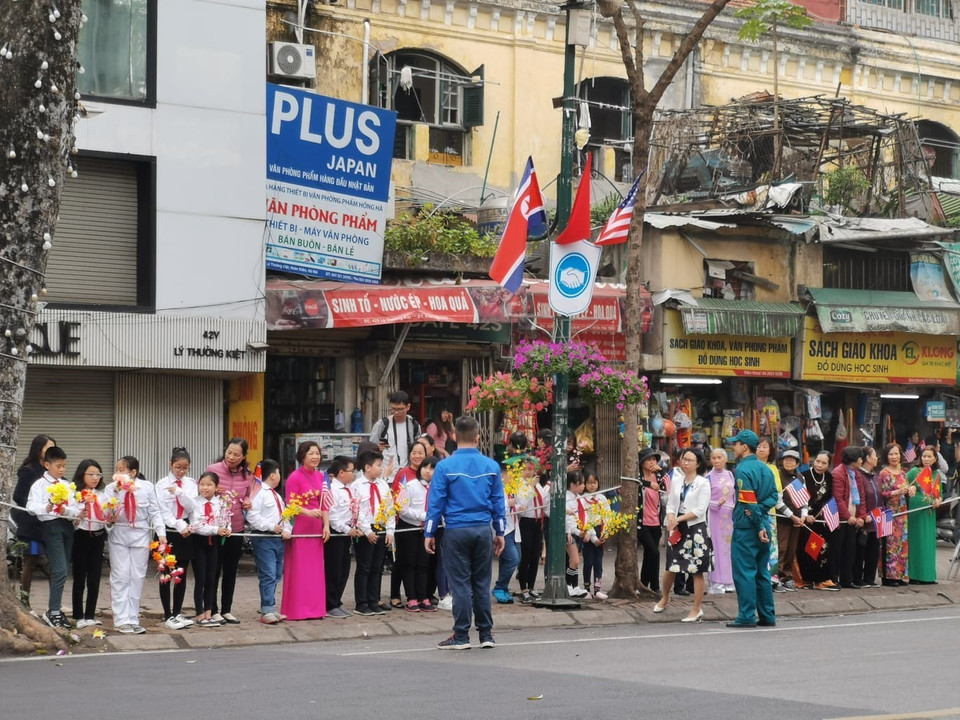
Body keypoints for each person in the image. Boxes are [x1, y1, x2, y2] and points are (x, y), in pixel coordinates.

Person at [424, 415, 505, 650]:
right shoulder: (491, 466)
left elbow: (436, 502)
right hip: (482, 529)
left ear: (454, 436)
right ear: (478, 437)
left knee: (459, 585)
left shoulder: (445, 467)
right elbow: (498, 502)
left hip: (456, 530)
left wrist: (429, 533)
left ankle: (461, 635)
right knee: (482, 583)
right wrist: (499, 531)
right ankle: (486, 634)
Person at [104, 455, 166, 634]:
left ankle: (133, 618)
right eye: (116, 470)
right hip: (119, 535)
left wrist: (161, 533)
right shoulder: (111, 488)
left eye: (121, 470)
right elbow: (105, 513)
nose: (117, 473)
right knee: (121, 576)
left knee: (137, 577)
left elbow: (154, 511)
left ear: (133, 472)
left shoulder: (147, 487)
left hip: (140, 534)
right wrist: (114, 498)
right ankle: (121, 619)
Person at [725, 430, 779, 628]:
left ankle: (746, 615)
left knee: (744, 572)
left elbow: (748, 502)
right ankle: (767, 615)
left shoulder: (741, 470)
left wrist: (756, 522)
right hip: (763, 522)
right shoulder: (766, 469)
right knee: (761, 572)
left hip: (748, 526)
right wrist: (762, 515)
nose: (733, 447)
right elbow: (774, 496)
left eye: (736, 444)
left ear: (744, 446)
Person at [654, 448, 712, 622]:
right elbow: (671, 503)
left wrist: (679, 518)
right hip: (677, 528)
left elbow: (701, 509)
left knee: (696, 570)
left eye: (690, 460)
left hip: (696, 530)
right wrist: (671, 516)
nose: (686, 462)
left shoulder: (703, 483)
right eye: (684, 459)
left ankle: (696, 609)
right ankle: (665, 597)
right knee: (671, 566)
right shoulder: (677, 481)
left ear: (698, 463)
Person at [26, 445, 81, 629]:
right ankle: (53, 611)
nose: (62, 470)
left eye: (64, 466)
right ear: (47, 464)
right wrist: (47, 508)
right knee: (60, 570)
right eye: (59, 466)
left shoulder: (66, 484)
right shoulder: (39, 485)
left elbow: (75, 508)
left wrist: (68, 511)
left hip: (67, 527)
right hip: (51, 527)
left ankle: (55, 610)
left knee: (64, 569)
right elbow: (31, 507)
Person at [205, 438, 254, 624]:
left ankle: (227, 609)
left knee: (231, 570)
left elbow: (248, 497)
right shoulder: (213, 469)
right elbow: (202, 491)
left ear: (243, 457)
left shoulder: (247, 475)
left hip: (237, 529)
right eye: (229, 452)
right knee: (214, 569)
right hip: (216, 529)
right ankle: (213, 609)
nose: (231, 457)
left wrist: (248, 502)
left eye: (236, 454)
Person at [281, 441, 331, 620]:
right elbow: (290, 505)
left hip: (316, 527)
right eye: (311, 453)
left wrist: (326, 525)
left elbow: (325, 503)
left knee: (315, 571)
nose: (315, 457)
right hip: (301, 526)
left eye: (317, 453)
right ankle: (297, 610)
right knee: (299, 570)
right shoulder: (294, 477)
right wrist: (307, 512)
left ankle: (316, 609)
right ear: (302, 456)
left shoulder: (321, 477)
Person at [155, 447, 197, 630]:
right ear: (171, 465)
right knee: (166, 573)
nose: (181, 471)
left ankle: (177, 612)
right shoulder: (161, 483)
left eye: (185, 468)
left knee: (181, 572)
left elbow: (192, 505)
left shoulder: (190, 483)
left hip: (186, 529)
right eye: (178, 467)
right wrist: (176, 524)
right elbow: (161, 510)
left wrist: (180, 493)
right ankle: (167, 614)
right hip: (169, 530)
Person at [13, 434, 55, 611]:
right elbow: (18, 496)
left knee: (51, 563)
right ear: (39, 450)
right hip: (32, 527)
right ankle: (25, 603)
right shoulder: (28, 470)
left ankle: (55, 605)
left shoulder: (52, 470)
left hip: (48, 525)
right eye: (48, 448)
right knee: (34, 561)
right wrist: (37, 507)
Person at [247, 459, 292, 624]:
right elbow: (252, 516)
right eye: (279, 473)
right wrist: (270, 526)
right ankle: (267, 609)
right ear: (273, 475)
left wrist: (287, 529)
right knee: (268, 574)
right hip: (263, 538)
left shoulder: (276, 495)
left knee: (275, 574)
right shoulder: (258, 492)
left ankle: (271, 606)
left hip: (278, 540)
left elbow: (285, 515)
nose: (279, 476)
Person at [354, 448, 395, 616]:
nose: (381, 468)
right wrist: (366, 530)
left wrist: (390, 530)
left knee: (377, 567)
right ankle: (361, 602)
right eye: (378, 465)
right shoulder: (357, 485)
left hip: (381, 527)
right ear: (367, 467)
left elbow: (390, 508)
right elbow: (357, 510)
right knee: (364, 566)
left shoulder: (383, 484)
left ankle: (373, 599)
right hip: (365, 530)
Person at [395, 449, 435, 612]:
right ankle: (411, 598)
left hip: (427, 530)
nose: (427, 470)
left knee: (423, 563)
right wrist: (424, 516)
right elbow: (402, 509)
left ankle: (423, 596)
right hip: (409, 528)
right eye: (425, 467)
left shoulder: (437, 488)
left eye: (432, 468)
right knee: (409, 563)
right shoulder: (410, 485)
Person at [389, 440, 428, 607]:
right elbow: (398, 502)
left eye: (420, 453)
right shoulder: (403, 474)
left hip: (424, 526)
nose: (417, 456)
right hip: (404, 523)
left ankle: (422, 595)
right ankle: (395, 594)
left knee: (421, 562)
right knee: (403, 561)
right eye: (414, 452)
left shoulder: (429, 472)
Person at [189, 471, 229, 627]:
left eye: (209, 485)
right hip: (199, 542)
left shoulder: (221, 503)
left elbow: (226, 519)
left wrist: (227, 528)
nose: (205, 488)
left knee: (212, 579)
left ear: (216, 487)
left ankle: (209, 612)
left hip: (215, 543)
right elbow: (197, 525)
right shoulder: (195, 503)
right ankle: (199, 614)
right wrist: (215, 530)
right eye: (202, 484)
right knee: (201, 579)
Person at [71, 459, 107, 629]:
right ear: (82, 474)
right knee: (79, 577)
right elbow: (70, 520)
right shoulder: (75, 494)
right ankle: (78, 616)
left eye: (98, 474)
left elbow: (106, 517)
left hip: (98, 537)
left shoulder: (102, 494)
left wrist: (111, 519)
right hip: (81, 537)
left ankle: (90, 615)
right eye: (91, 474)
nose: (95, 478)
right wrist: (78, 516)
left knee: (94, 577)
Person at [325, 456, 361, 618]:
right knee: (334, 570)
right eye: (351, 471)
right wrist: (346, 529)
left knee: (344, 569)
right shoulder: (333, 490)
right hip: (336, 534)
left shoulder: (350, 489)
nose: (353, 474)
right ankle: (329, 603)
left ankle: (337, 600)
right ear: (341, 473)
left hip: (347, 533)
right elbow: (332, 516)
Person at [797, 450, 837, 590]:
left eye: (824, 463)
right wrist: (806, 513)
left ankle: (822, 580)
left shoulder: (829, 478)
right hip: (806, 518)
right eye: (817, 461)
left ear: (828, 465)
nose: (819, 465)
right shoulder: (804, 476)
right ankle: (807, 580)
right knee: (807, 549)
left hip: (821, 519)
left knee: (822, 548)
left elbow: (829, 498)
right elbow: (801, 498)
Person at [906, 446, 942, 584]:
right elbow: (903, 484)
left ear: (935, 458)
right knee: (917, 542)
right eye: (924, 456)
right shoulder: (915, 471)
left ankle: (928, 576)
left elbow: (940, 493)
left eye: (929, 456)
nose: (926, 459)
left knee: (928, 543)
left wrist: (939, 500)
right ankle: (915, 576)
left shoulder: (936, 473)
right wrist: (911, 487)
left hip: (930, 512)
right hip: (916, 511)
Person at [831, 446, 865, 589]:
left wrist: (861, 516)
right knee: (836, 550)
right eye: (860, 458)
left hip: (853, 518)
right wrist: (847, 516)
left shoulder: (856, 473)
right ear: (854, 460)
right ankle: (833, 579)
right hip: (840, 519)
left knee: (850, 550)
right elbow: (837, 498)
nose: (862, 461)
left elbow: (861, 497)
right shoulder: (838, 473)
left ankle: (846, 579)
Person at [879, 443, 912, 586]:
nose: (894, 457)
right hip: (889, 514)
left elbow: (908, 489)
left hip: (902, 514)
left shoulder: (904, 473)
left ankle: (900, 575)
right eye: (891, 454)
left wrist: (911, 490)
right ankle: (888, 577)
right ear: (886, 456)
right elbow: (881, 494)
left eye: (896, 454)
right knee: (890, 546)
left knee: (902, 545)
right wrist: (895, 492)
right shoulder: (884, 473)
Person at [517, 456, 547, 603]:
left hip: (537, 522)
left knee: (535, 555)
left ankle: (532, 586)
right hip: (526, 522)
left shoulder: (538, 485)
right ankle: (523, 589)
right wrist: (530, 487)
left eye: (531, 469)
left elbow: (544, 502)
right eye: (525, 469)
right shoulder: (520, 484)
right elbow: (522, 506)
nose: (529, 472)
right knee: (525, 556)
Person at [775, 449, 806, 593]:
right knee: (781, 547)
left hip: (797, 519)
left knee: (791, 549)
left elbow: (804, 499)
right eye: (786, 459)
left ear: (797, 463)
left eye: (792, 460)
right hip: (782, 518)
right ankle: (777, 576)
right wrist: (790, 515)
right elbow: (777, 500)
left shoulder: (800, 478)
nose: (788, 462)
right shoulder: (778, 476)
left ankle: (787, 577)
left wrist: (803, 515)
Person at [637, 447, 667, 592]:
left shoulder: (659, 476)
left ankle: (647, 585)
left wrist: (661, 471)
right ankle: (651, 585)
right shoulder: (638, 475)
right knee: (654, 553)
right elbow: (636, 482)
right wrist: (649, 484)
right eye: (648, 459)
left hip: (656, 521)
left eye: (654, 459)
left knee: (651, 555)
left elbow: (668, 489)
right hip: (642, 523)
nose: (652, 462)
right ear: (641, 462)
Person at [706, 447, 735, 594]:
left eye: (720, 457)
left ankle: (729, 581)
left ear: (725, 459)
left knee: (729, 548)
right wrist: (717, 503)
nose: (717, 460)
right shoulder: (708, 477)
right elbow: (704, 500)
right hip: (715, 516)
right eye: (714, 458)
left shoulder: (730, 474)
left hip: (729, 517)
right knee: (716, 548)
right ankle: (717, 582)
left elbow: (734, 495)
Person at [755, 437, 783, 591]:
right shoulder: (748, 466)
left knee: (771, 546)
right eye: (759, 446)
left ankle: (772, 578)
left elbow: (777, 492)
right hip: (751, 511)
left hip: (769, 513)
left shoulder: (773, 469)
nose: (761, 449)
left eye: (765, 446)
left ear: (770, 450)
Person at [370, 390, 421, 469]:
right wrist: (378, 448)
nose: (396, 412)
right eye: (393, 409)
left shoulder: (414, 425)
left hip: (406, 473)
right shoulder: (382, 425)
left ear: (408, 407)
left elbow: (418, 449)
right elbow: (371, 449)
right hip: (385, 474)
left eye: (400, 409)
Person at [854, 446, 882, 588]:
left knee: (873, 550)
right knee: (860, 551)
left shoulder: (876, 476)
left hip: (876, 520)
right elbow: (859, 497)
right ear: (867, 459)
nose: (877, 458)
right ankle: (858, 579)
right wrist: (863, 515)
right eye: (875, 455)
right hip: (864, 519)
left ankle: (870, 578)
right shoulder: (859, 476)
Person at [581, 471, 609, 600]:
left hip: (600, 530)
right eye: (589, 483)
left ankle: (597, 588)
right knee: (588, 562)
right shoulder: (582, 499)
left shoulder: (601, 498)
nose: (592, 486)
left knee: (598, 562)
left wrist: (605, 533)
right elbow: (585, 519)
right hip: (588, 532)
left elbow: (607, 515)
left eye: (594, 483)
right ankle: (586, 588)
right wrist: (593, 538)